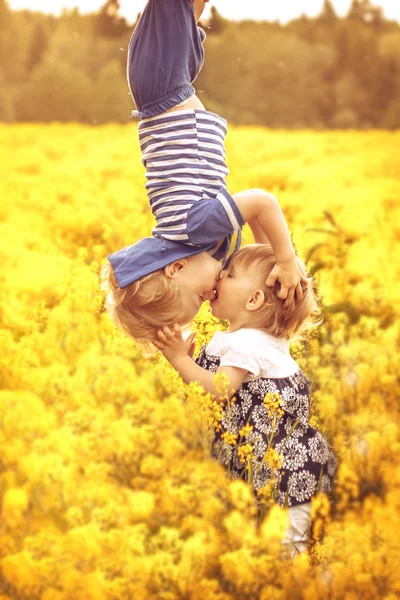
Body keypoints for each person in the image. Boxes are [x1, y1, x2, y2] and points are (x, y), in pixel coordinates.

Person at [101, 0, 307, 344]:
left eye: (198, 297)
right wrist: (266, 264)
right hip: (174, 89)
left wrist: (285, 260)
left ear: (176, 268)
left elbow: (262, 203)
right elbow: (250, 220)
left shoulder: (194, 230)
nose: (209, 298)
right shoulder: (210, 248)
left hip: (158, 90)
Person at [153, 244, 337, 557]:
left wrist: (178, 359)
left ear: (254, 300)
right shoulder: (259, 337)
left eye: (229, 274)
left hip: (282, 470)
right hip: (275, 462)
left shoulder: (247, 344)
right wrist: (282, 257)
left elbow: (218, 389)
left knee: (281, 550)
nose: (218, 277)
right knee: (271, 543)